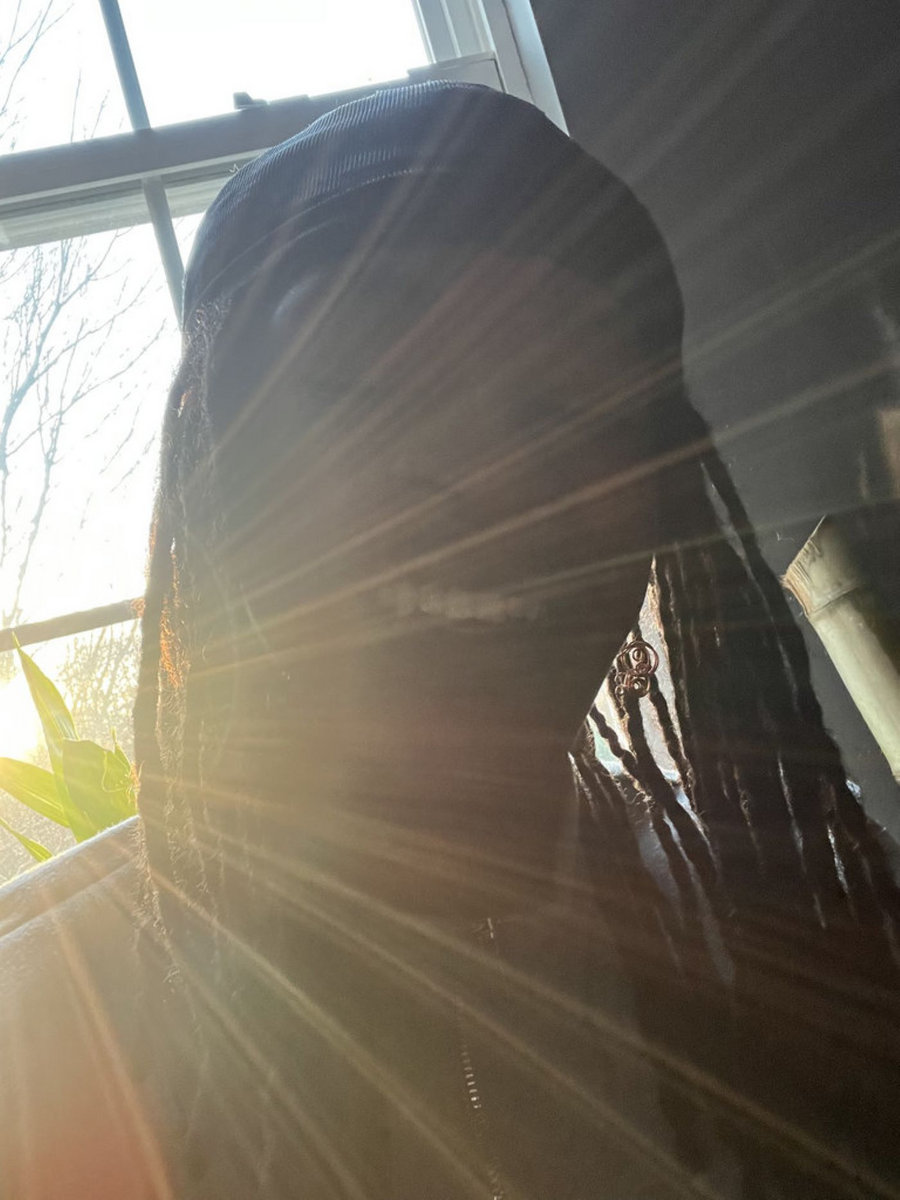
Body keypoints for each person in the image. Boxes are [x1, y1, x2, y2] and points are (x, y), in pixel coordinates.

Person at [1, 80, 898, 1199]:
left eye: (568, 411)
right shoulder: (33, 1051)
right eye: (367, 384)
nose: (493, 487)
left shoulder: (797, 945)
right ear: (220, 473)